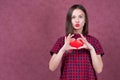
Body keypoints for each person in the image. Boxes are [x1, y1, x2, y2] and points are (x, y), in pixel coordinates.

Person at [49, 4, 104, 80]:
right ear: (69, 20)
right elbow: (51, 67)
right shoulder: (61, 41)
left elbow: (99, 69)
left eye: (80, 17)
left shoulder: (94, 41)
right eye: (73, 17)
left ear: (85, 20)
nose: (77, 20)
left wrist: (91, 49)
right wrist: (63, 49)